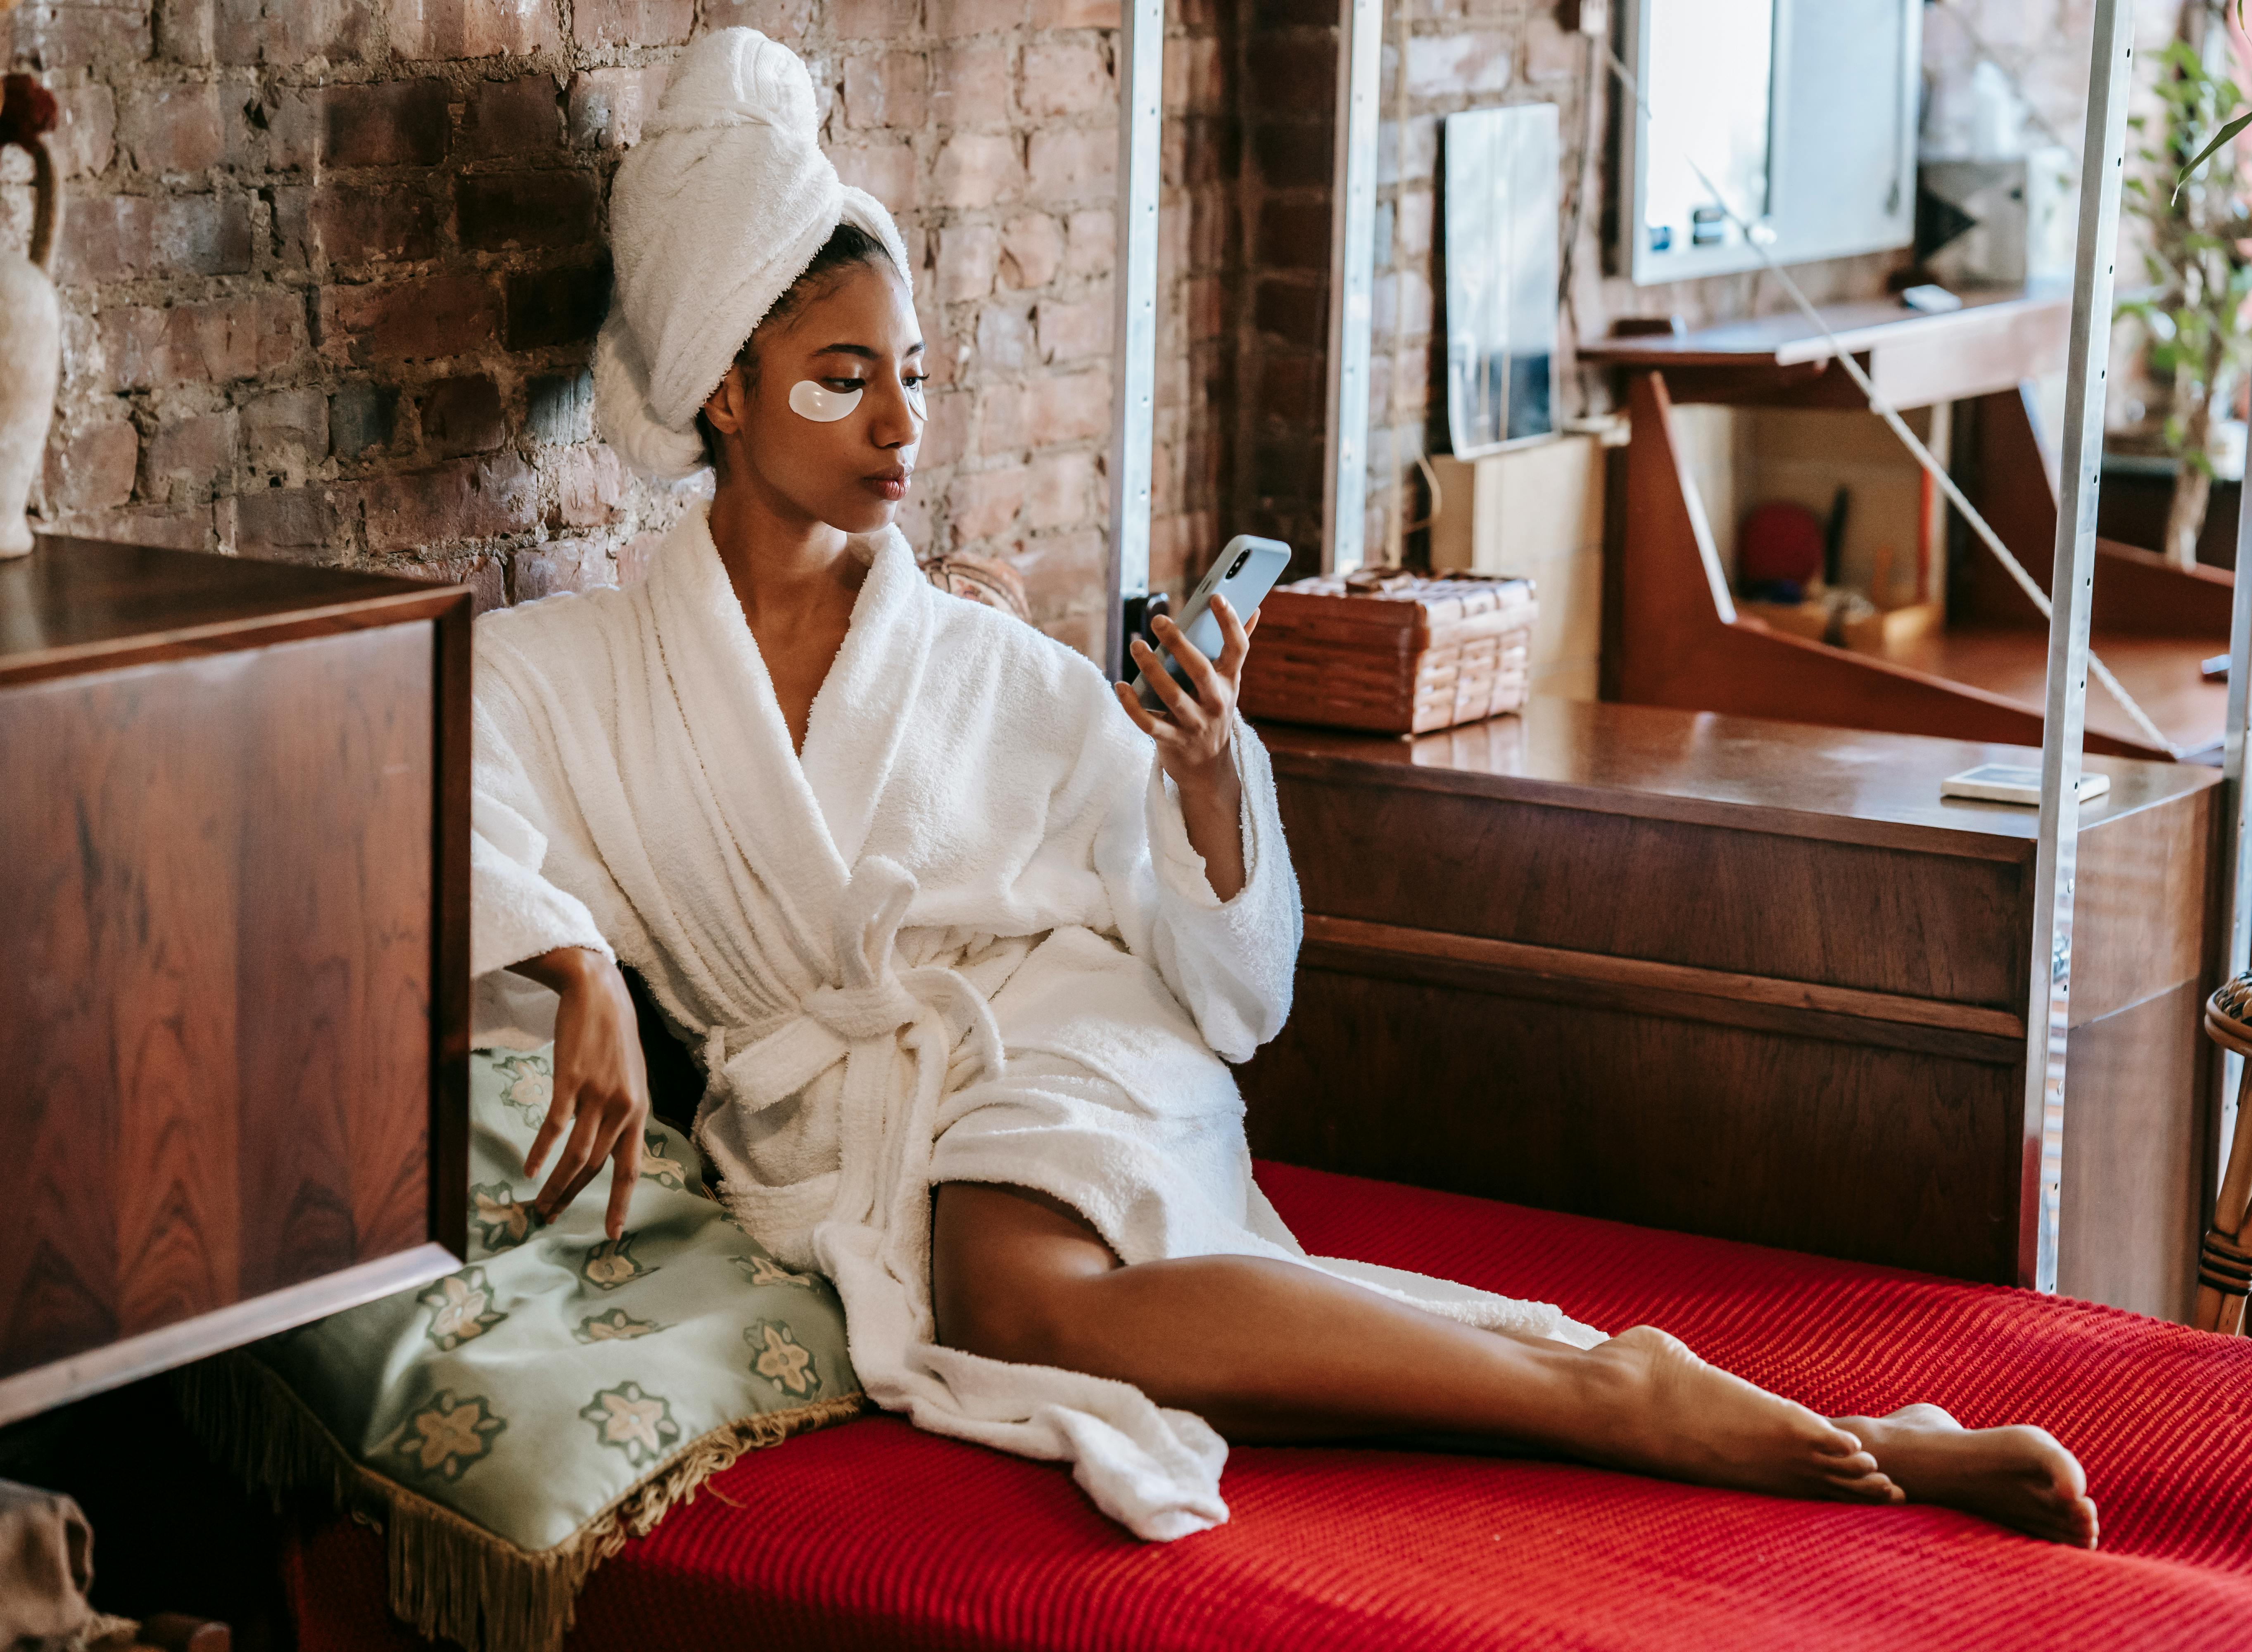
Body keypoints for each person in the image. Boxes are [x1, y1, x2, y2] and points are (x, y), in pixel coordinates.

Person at [472, 26, 2099, 1550]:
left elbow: (1231, 997)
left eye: (913, 370)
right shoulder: (587, 669)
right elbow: (439, 769)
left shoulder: (987, 669)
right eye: (843, 379)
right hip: (863, 1118)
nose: (904, 422)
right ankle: (1638, 1388)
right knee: (1008, 1293)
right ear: (726, 394)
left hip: (1062, 1041)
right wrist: (567, 961)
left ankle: (1622, 1397)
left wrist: (1203, 780)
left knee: (1007, 1286)